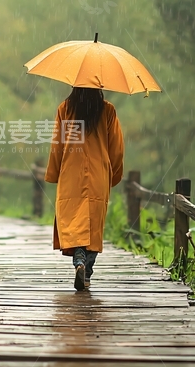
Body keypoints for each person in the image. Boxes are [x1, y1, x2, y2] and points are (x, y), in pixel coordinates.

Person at [45, 87, 124, 291]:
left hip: (71, 171)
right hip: (98, 173)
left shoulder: (65, 109)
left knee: (73, 219)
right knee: (93, 224)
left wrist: (54, 171)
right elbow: (117, 148)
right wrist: (114, 173)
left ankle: (79, 259)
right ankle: (87, 270)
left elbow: (57, 145)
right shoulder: (107, 110)